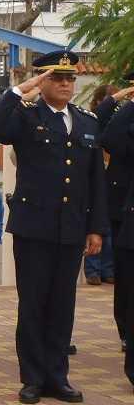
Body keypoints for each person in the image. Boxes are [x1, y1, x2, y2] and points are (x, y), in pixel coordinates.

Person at [0, 51, 107, 405]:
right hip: (34, 227)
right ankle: (33, 378)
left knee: (63, 305)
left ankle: (57, 376)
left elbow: (95, 180)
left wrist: (96, 228)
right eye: (57, 78)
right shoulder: (26, 116)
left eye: (70, 79)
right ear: (44, 81)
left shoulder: (86, 121)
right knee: (33, 304)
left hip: (71, 227)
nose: (66, 84)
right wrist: (21, 90)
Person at [94, 82, 134, 353]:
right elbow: (106, 133)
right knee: (127, 274)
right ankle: (126, 331)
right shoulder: (124, 114)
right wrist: (127, 101)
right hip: (123, 206)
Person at [84, 84, 120, 286]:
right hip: (94, 181)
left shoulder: (117, 120)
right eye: (109, 99)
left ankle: (108, 269)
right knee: (96, 224)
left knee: (109, 228)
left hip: (112, 181)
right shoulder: (91, 119)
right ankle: (93, 270)